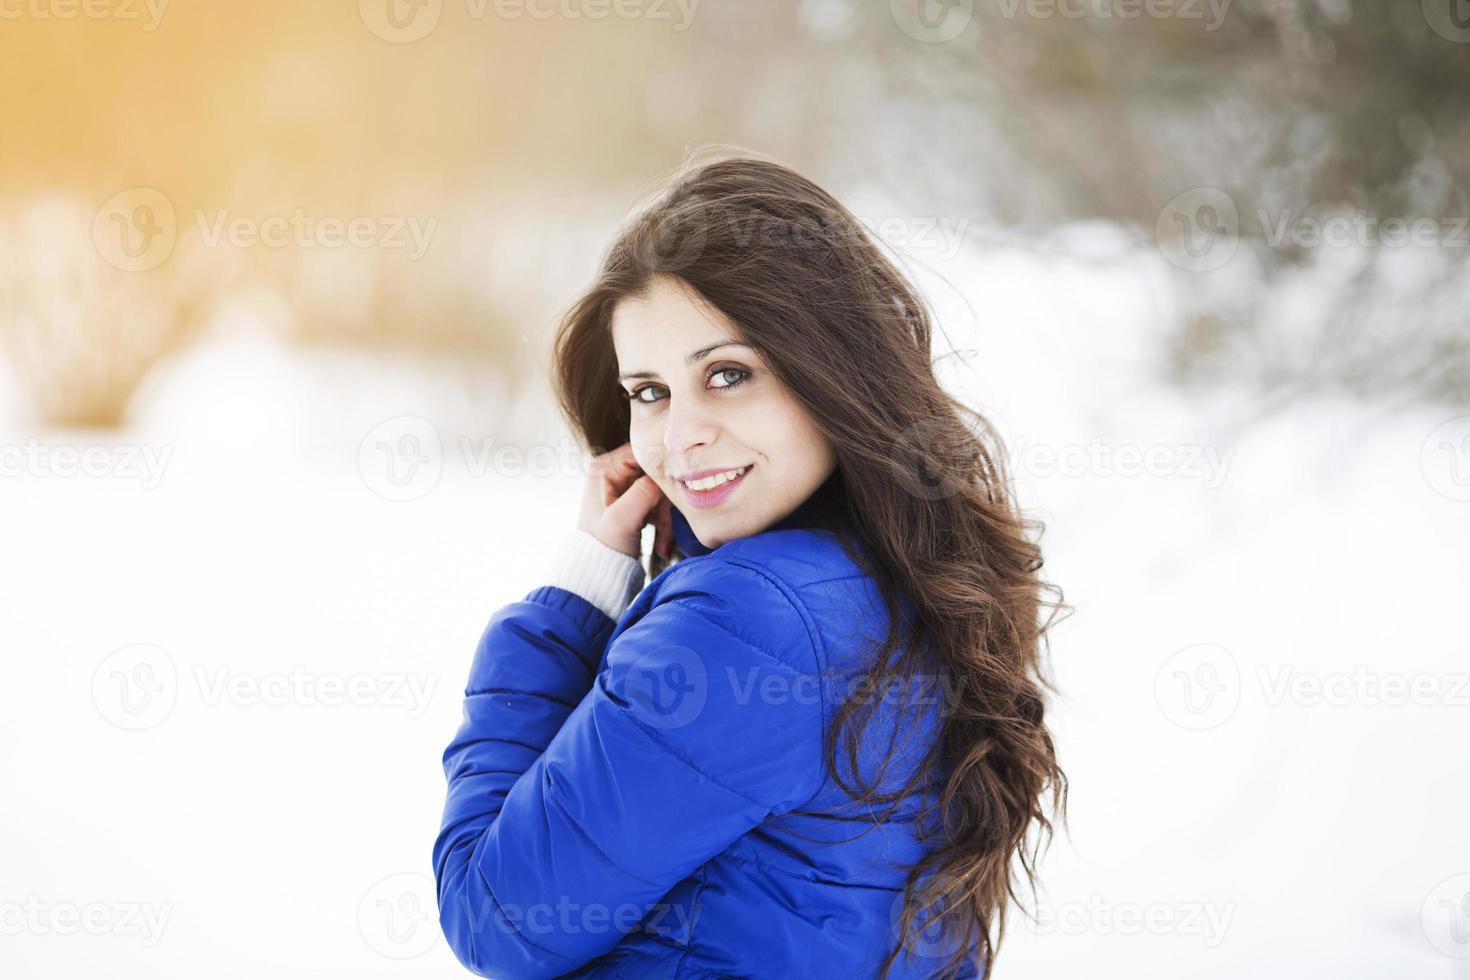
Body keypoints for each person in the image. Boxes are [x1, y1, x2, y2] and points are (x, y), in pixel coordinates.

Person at [432, 151, 1068, 979]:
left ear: (832, 371)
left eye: (728, 375)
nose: (679, 436)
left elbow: (495, 917)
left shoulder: (747, 620)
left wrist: (572, 601)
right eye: (650, 392)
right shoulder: (897, 578)